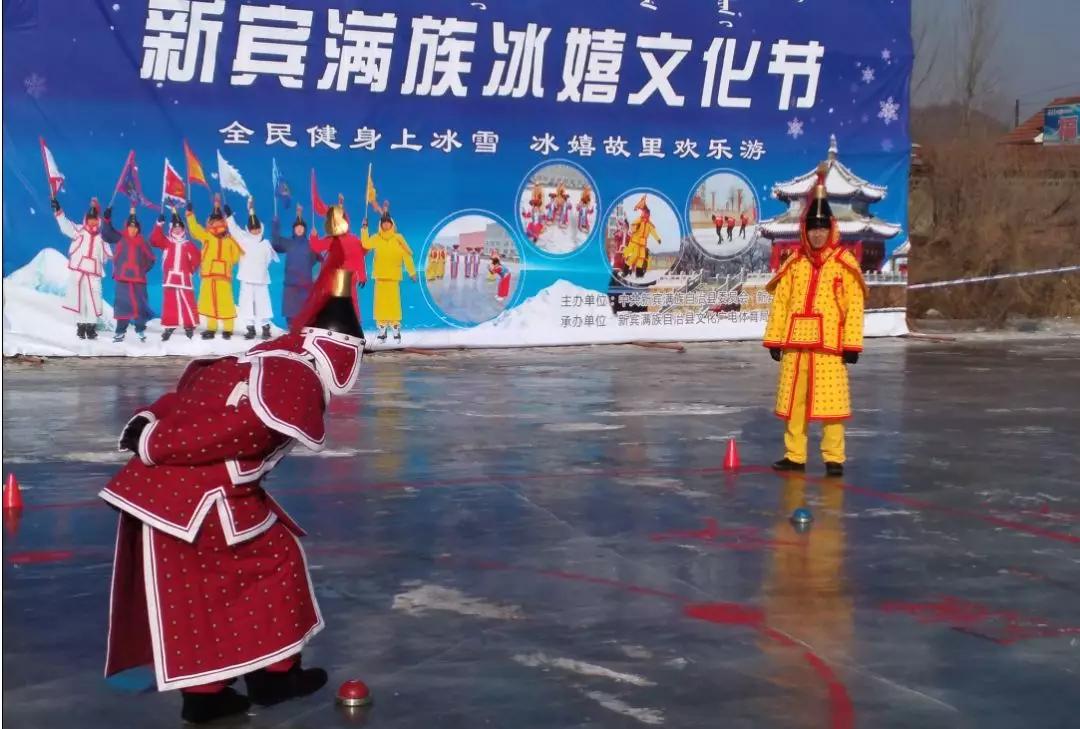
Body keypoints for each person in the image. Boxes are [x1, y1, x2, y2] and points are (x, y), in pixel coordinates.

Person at [100, 249, 367, 725]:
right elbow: (235, 428)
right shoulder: (295, 376)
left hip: (180, 494)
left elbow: (194, 395)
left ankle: (216, 692)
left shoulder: (264, 358)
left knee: (204, 591)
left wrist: (151, 423)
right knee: (271, 566)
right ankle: (270, 677)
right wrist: (158, 440)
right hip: (198, 499)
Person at [763, 164, 866, 477]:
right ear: (805, 231)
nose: (817, 233)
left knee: (830, 405)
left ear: (831, 229)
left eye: (822, 228)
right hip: (796, 344)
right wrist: (775, 338)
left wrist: (851, 344)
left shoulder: (844, 265)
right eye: (812, 228)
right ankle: (795, 455)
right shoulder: (795, 264)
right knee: (796, 402)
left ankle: (834, 457)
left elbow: (854, 306)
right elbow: (781, 303)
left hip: (829, 346)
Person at [52, 196, 112, 339]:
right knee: (79, 298)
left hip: (93, 273)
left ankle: (91, 327)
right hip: (78, 270)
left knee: (93, 299)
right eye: (90, 218)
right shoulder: (79, 231)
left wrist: (108, 222)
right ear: (86, 218)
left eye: (95, 218)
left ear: (98, 220)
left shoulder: (102, 236)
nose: (92, 221)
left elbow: (108, 251)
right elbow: (65, 225)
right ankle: (80, 326)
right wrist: (58, 211)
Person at [187, 195, 243, 339]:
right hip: (209, 275)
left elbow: (236, 256)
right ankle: (211, 329)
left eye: (219, 221)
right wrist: (190, 214)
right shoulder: (207, 236)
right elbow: (194, 229)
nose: (217, 224)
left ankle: (228, 329)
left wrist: (228, 262)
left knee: (225, 302)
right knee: (209, 303)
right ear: (211, 222)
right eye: (214, 221)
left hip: (223, 276)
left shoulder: (229, 240)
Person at [228, 197, 280, 340]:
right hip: (246, 278)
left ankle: (265, 327)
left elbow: (270, 260)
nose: (255, 231)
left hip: (261, 280)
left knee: (263, 303)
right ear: (248, 229)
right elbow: (234, 229)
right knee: (246, 303)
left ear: (261, 228)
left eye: (257, 228)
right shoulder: (243, 239)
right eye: (252, 229)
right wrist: (229, 217)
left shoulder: (266, 244)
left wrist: (261, 269)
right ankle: (250, 328)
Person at [103, 206, 156, 342]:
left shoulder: (142, 241)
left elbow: (151, 259)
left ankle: (140, 329)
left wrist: (141, 269)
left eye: (135, 227)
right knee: (122, 305)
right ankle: (120, 331)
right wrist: (107, 219)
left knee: (140, 305)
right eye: (130, 227)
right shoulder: (120, 237)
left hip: (138, 280)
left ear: (138, 229)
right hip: (123, 278)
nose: (132, 230)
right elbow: (107, 234)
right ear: (127, 227)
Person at [365, 203, 417, 343]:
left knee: (393, 304)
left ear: (392, 224)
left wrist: (412, 272)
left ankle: (395, 330)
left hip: (393, 278)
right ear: (381, 225)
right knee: (380, 304)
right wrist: (364, 229)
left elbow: (407, 255)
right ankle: (382, 330)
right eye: (384, 223)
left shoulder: (398, 238)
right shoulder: (376, 238)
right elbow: (366, 245)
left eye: (388, 223)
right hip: (380, 277)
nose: (386, 225)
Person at [150, 209, 201, 340]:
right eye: (175, 227)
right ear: (171, 229)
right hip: (170, 278)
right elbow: (154, 240)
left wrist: (190, 270)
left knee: (188, 302)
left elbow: (197, 258)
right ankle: (170, 325)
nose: (177, 230)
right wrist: (159, 224)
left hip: (185, 278)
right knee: (170, 303)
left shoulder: (188, 244)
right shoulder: (167, 242)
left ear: (183, 229)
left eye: (179, 227)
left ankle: (189, 326)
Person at [271, 204, 321, 329]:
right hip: (291, 284)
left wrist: (315, 238)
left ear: (305, 229)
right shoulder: (288, 243)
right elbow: (276, 243)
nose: (299, 229)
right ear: (294, 229)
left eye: (301, 227)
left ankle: (307, 327)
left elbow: (319, 256)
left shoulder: (310, 244)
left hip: (305, 284)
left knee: (306, 308)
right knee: (291, 310)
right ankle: (291, 328)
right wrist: (275, 225)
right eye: (297, 227)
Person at [622, 196, 661, 279]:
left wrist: (658, 239)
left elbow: (653, 232)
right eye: (645, 213)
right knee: (634, 256)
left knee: (641, 258)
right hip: (635, 242)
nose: (646, 215)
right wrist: (635, 228)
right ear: (643, 213)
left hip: (642, 244)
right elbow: (632, 227)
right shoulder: (638, 221)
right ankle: (625, 271)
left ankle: (639, 274)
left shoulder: (649, 224)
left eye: (647, 214)